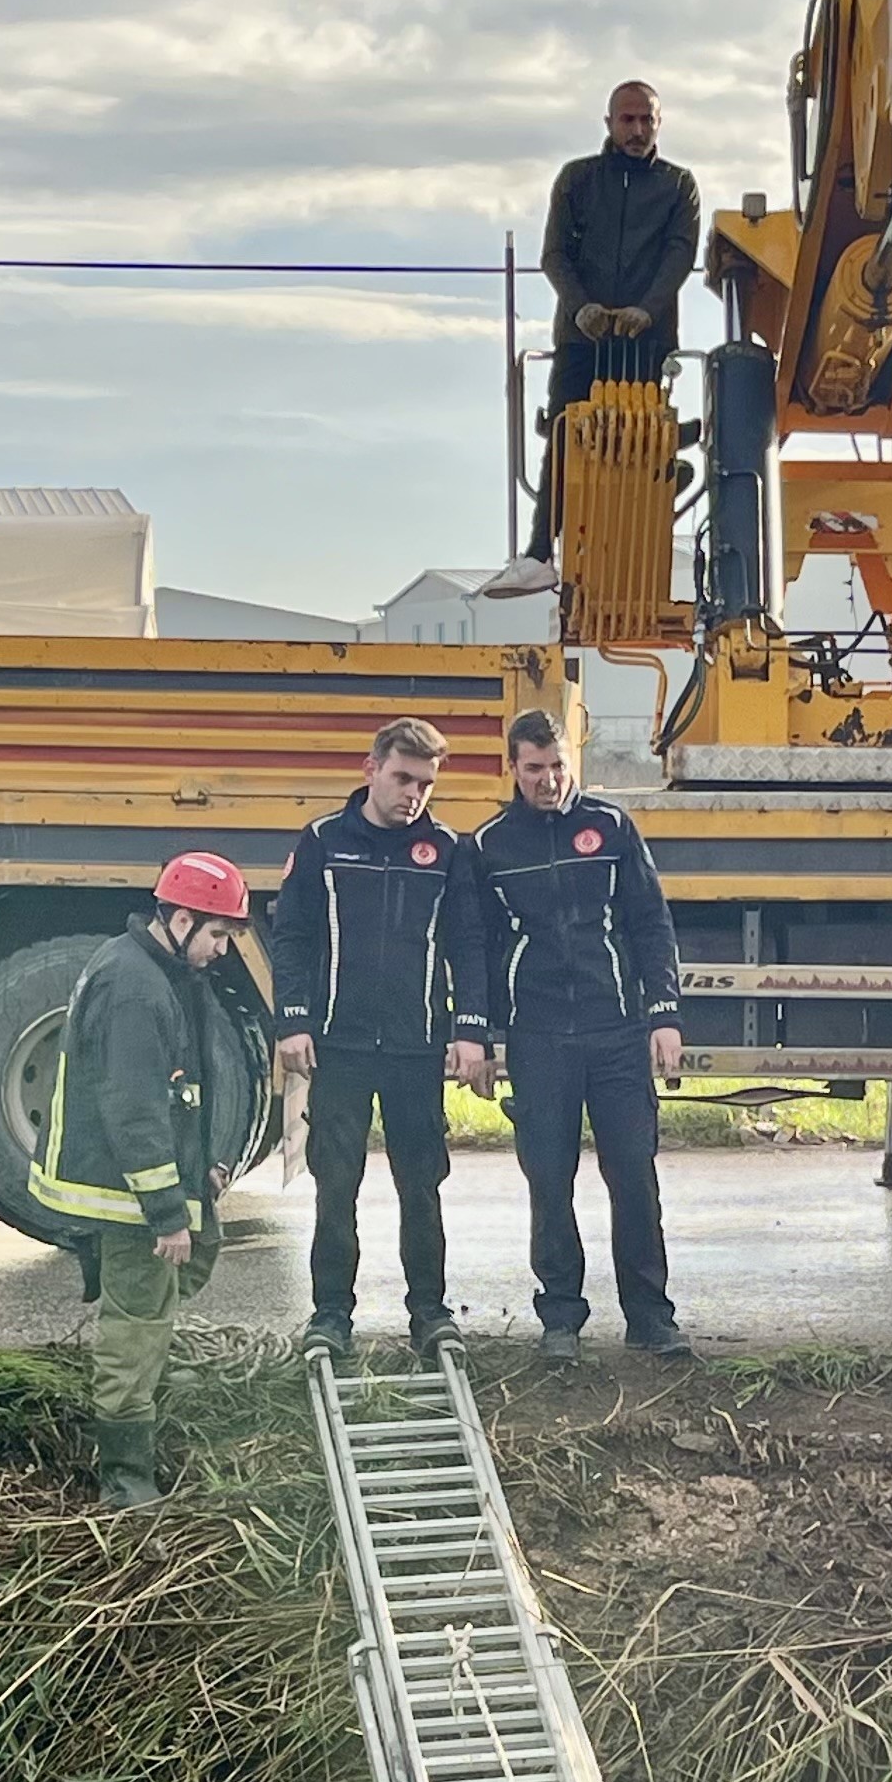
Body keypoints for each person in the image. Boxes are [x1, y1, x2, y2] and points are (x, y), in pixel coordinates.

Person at [34, 853, 254, 1508]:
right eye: (217, 935)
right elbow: (132, 1107)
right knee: (135, 1320)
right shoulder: (135, 987)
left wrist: (203, 1166)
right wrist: (166, 1211)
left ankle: (146, 1367)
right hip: (124, 1191)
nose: (222, 951)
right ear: (181, 919)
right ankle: (126, 1477)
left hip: (142, 1180)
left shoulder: (161, 969)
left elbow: (178, 1089)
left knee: (181, 1276)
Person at [473, 708, 690, 1360]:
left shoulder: (612, 827)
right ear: (512, 767)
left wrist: (664, 1014)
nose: (549, 779)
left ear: (574, 761)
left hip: (617, 1029)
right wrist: (480, 1036)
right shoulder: (487, 847)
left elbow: (651, 924)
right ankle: (560, 1319)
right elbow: (477, 947)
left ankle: (650, 1316)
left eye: (559, 765)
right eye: (535, 768)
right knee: (549, 1178)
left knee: (633, 1174)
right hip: (539, 1035)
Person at [270, 717, 490, 1355]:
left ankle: (429, 1313)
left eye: (425, 783)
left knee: (420, 1185)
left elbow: (469, 946)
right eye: (402, 778)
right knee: (336, 1183)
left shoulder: (449, 850)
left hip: (416, 1048)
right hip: (337, 1045)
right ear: (371, 770)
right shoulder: (322, 842)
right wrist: (292, 1019)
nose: (413, 794)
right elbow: (291, 939)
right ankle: (331, 1315)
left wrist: (470, 1032)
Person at [484, 82, 700, 597]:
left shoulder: (677, 186)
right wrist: (582, 308)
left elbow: (679, 253)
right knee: (564, 434)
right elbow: (554, 255)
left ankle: (656, 501)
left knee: (638, 440)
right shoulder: (579, 179)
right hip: (582, 340)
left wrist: (645, 311)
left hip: (646, 342)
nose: (637, 130)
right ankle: (540, 554)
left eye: (647, 120)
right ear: (608, 123)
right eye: (627, 120)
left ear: (659, 124)